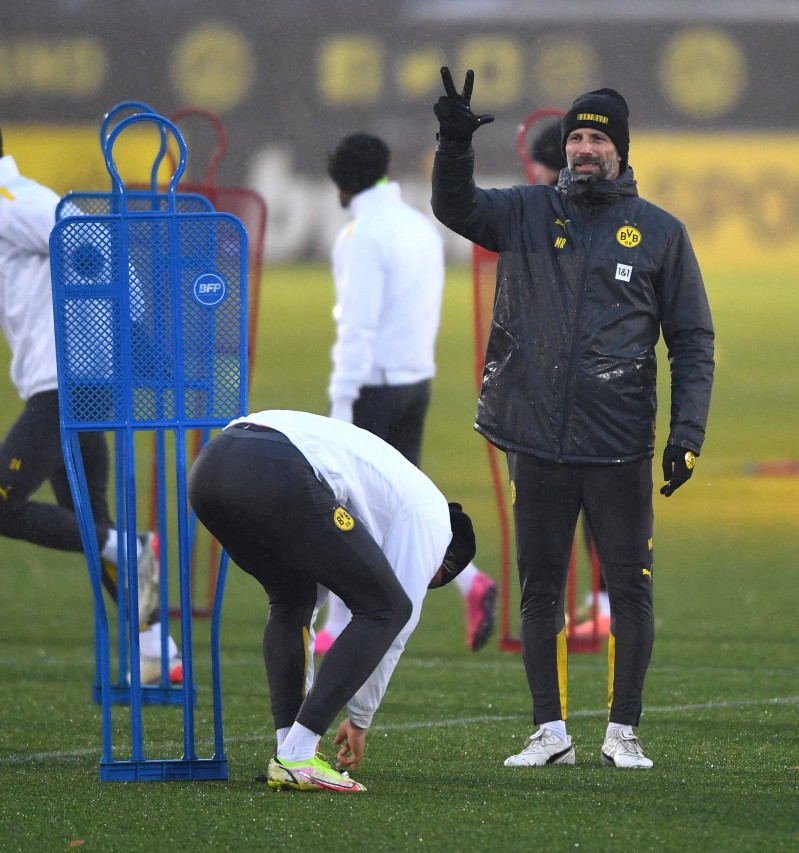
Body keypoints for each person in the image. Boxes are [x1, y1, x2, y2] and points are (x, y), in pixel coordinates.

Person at [431, 68, 715, 769]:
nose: (584, 149)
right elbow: (456, 207)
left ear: (620, 151)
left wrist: (687, 433)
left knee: (628, 587)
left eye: (597, 139)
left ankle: (623, 730)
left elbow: (692, 339)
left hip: (619, 441)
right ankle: (549, 731)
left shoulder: (660, 234)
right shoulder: (526, 211)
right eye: (576, 138)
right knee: (539, 586)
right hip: (536, 437)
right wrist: (454, 144)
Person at [187, 409, 477, 793]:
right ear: (445, 559)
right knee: (387, 607)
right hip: (278, 467)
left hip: (211, 467)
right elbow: (397, 619)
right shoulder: (434, 518)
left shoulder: (387, 492)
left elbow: (321, 578)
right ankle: (298, 756)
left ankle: (289, 750)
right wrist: (360, 718)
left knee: (293, 599)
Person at [0, 127, 174, 683]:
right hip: (79, 380)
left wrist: (133, 322)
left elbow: (96, 241)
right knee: (89, 515)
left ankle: (128, 547)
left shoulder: (12, 202)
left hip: (65, 382)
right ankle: (156, 646)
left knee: (8, 505)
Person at [314, 132, 497, 656]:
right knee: (402, 502)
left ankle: (337, 622)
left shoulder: (362, 234)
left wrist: (341, 399)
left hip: (374, 384)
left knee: (343, 502)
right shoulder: (419, 226)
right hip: (416, 380)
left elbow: (357, 325)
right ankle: (470, 581)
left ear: (341, 185)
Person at [525, 120, 610, 640]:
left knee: (589, 498)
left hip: (581, 384)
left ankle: (603, 603)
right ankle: (600, 601)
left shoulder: (564, 220)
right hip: (579, 380)